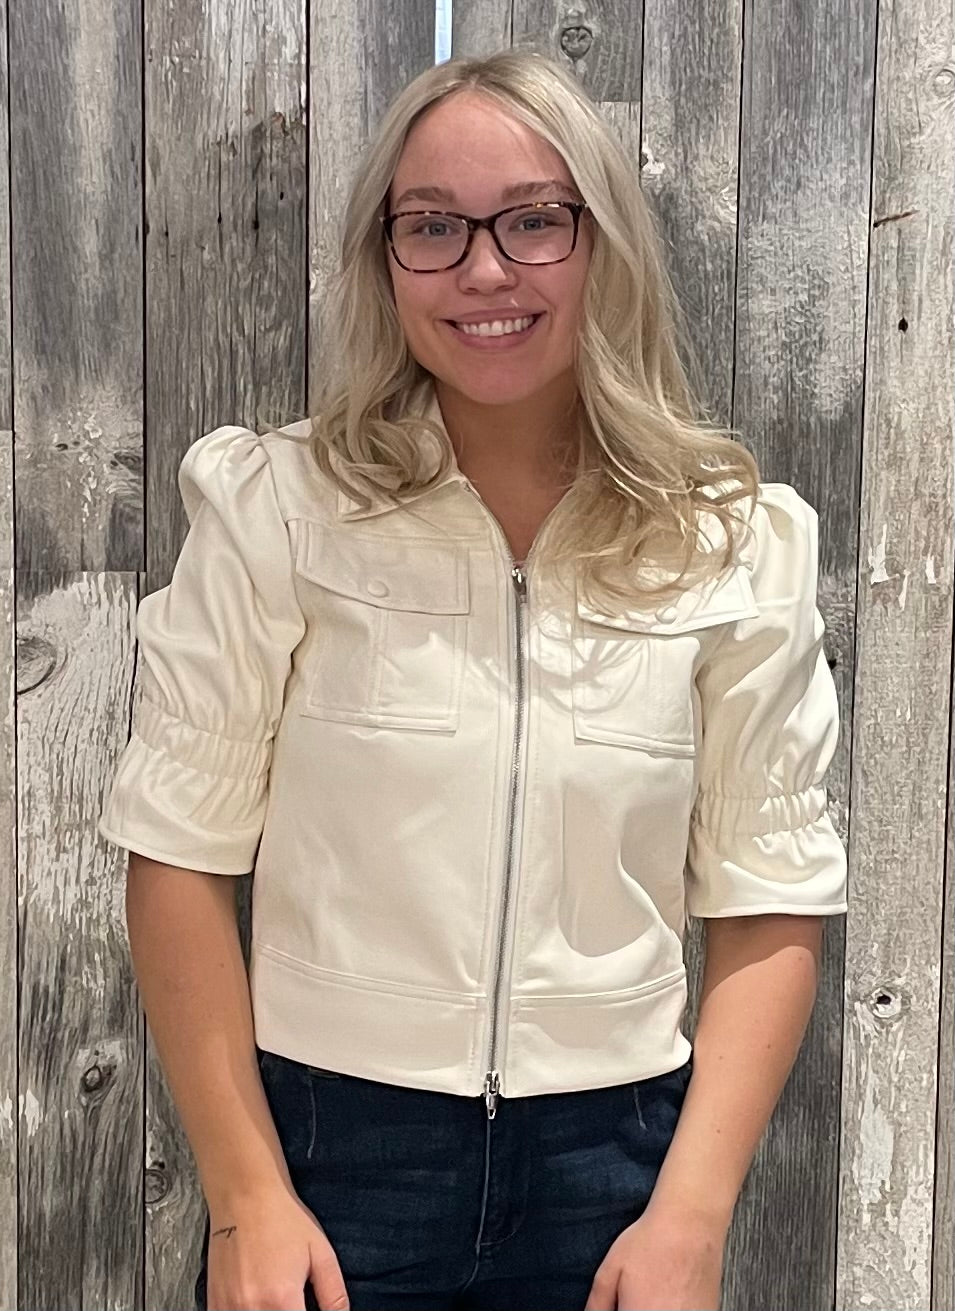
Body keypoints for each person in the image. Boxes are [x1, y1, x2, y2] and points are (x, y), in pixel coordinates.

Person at [97, 46, 848, 1311]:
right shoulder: (279, 510)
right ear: (385, 259)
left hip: (615, 1167)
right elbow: (176, 851)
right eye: (433, 226)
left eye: (534, 220)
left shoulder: (728, 543)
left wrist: (691, 1217)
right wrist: (246, 1198)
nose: (485, 270)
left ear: (602, 242)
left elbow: (768, 893)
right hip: (333, 1158)